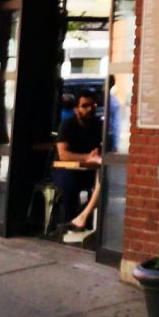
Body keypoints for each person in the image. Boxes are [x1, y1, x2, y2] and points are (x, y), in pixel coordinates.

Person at [52, 91, 103, 238]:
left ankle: (83, 220)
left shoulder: (98, 125)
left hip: (88, 170)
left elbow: (103, 148)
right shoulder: (67, 125)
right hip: (64, 168)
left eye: (92, 105)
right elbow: (63, 155)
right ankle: (69, 223)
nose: (89, 109)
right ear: (76, 109)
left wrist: (97, 154)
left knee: (103, 184)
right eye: (84, 106)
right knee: (70, 185)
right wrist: (88, 157)